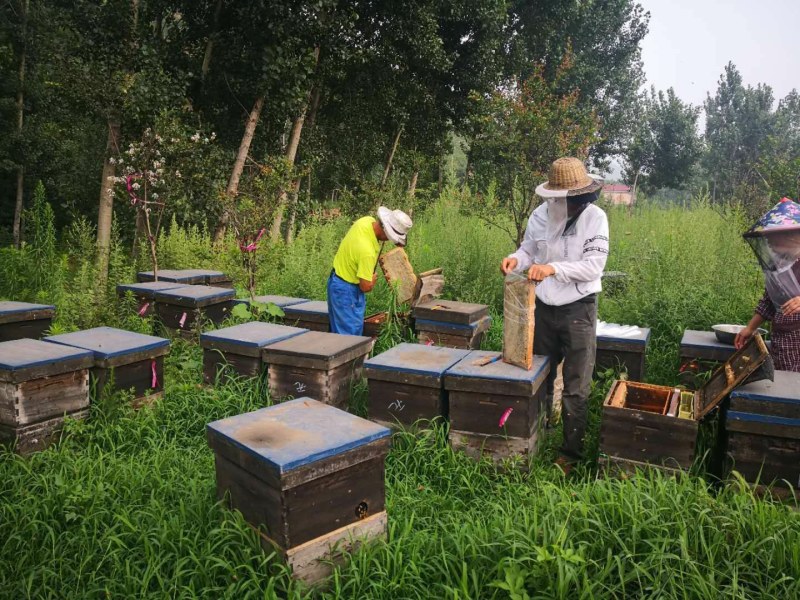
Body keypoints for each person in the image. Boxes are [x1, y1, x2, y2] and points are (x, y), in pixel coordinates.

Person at [500, 157, 609, 472]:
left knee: (576, 385)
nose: (570, 204)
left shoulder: (595, 218)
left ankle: (571, 453)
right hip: (543, 307)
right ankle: (541, 433)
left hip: (579, 309)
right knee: (541, 374)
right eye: (564, 198)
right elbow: (528, 251)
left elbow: (593, 266)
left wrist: (553, 268)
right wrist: (514, 261)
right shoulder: (539, 215)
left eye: (576, 198)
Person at [735, 198, 800, 372]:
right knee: (781, 388)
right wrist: (750, 328)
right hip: (781, 337)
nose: (769, 241)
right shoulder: (782, 264)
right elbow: (769, 300)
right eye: (768, 236)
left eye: (773, 235)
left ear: (792, 235)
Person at [327, 207, 413, 336]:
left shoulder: (366, 221)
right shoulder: (367, 252)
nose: (389, 240)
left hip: (337, 280)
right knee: (349, 338)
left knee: (341, 333)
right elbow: (365, 286)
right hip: (347, 291)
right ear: (386, 231)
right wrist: (372, 280)